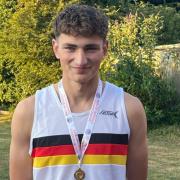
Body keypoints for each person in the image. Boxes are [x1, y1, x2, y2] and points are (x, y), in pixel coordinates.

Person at [9, 4, 148, 180]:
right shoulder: (29, 111)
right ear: (56, 48)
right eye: (70, 48)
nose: (81, 60)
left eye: (90, 48)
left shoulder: (129, 109)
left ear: (104, 49)